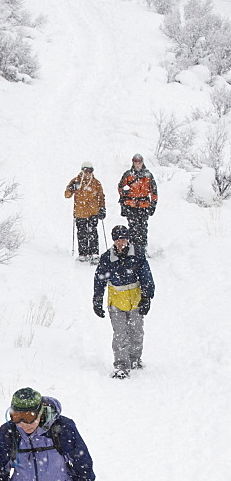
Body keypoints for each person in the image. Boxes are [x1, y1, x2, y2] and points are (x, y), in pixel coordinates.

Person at [93, 224, 155, 379]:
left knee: (137, 332)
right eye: (118, 240)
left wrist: (147, 297)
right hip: (116, 303)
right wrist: (97, 300)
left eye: (124, 239)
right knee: (120, 334)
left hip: (135, 301)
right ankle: (121, 365)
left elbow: (146, 277)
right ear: (114, 241)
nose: (121, 242)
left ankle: (135, 359)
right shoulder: (107, 258)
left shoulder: (138, 255)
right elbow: (99, 280)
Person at [64, 163, 106, 262]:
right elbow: (67, 195)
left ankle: (94, 253)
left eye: (90, 171)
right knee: (82, 233)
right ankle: (83, 253)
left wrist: (102, 208)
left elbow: (101, 196)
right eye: (86, 171)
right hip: (80, 212)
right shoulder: (76, 181)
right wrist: (71, 188)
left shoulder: (96, 183)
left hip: (93, 211)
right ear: (82, 171)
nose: (88, 173)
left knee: (93, 232)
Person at [117, 153, 158, 254]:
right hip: (131, 205)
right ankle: (133, 248)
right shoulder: (128, 175)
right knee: (132, 228)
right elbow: (120, 187)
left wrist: (153, 204)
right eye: (136, 162)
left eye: (139, 162)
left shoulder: (148, 175)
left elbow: (154, 191)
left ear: (142, 163)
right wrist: (126, 193)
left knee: (143, 228)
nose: (138, 164)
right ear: (133, 163)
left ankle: (142, 249)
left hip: (144, 205)